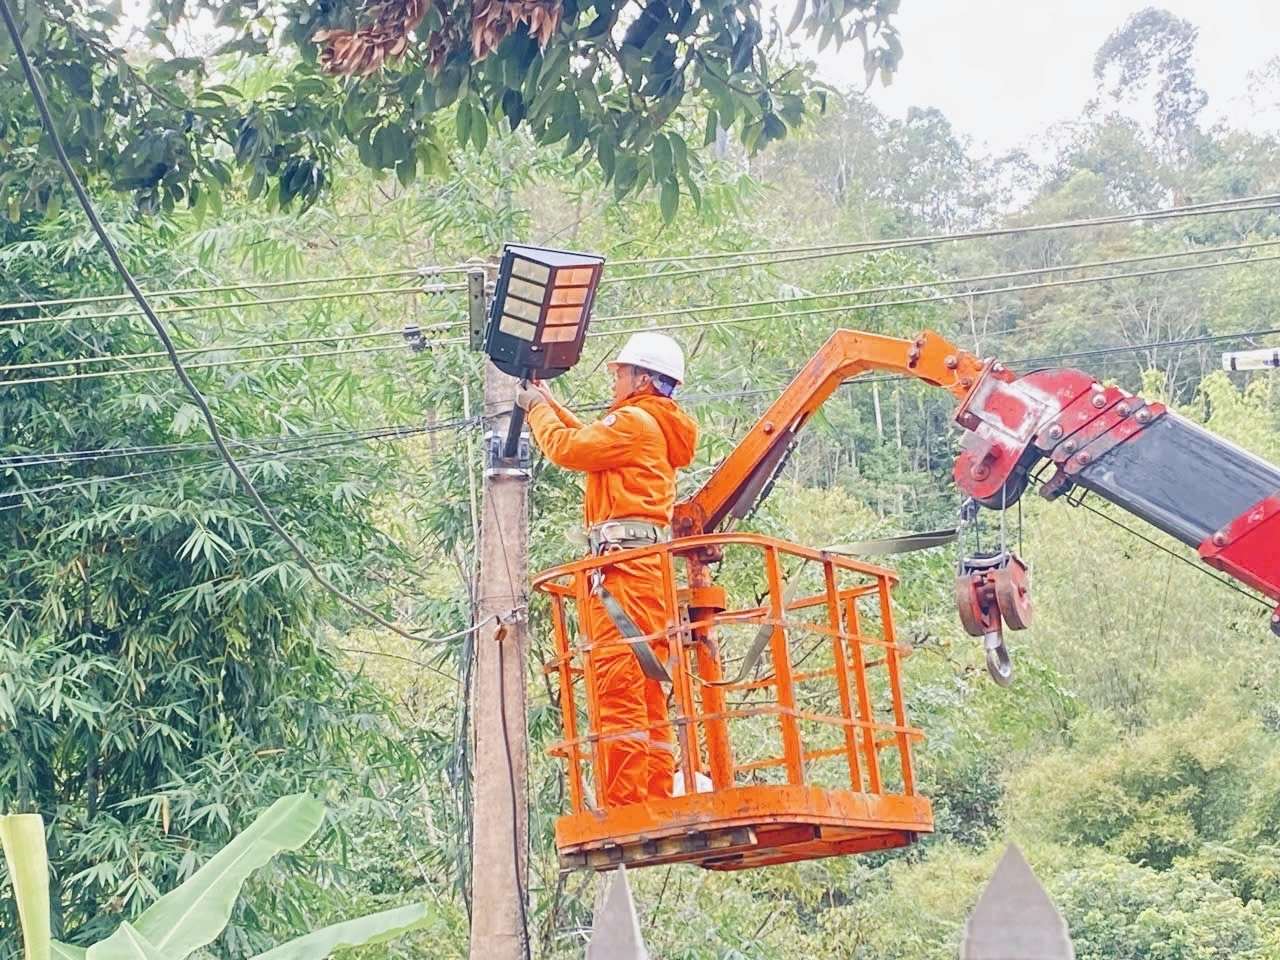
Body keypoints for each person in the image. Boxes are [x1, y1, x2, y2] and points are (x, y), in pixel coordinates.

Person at [516, 331, 698, 807]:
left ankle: (625, 807)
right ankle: (655, 794)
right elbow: (591, 443)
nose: (614, 380)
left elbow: (568, 451)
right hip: (647, 569)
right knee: (649, 679)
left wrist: (535, 409)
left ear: (642, 378)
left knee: (617, 682)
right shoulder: (650, 424)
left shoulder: (634, 421)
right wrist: (550, 404)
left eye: (619, 373)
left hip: (622, 569)